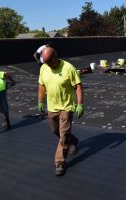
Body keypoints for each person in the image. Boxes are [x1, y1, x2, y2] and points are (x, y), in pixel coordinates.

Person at [38, 47, 84, 176]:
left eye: (50, 62)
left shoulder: (68, 68)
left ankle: (59, 162)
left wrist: (80, 104)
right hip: (52, 107)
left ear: (56, 57)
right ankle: (73, 141)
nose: (49, 65)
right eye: (46, 63)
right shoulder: (44, 68)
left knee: (63, 134)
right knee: (55, 131)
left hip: (66, 107)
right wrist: (40, 101)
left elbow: (78, 86)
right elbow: (41, 85)